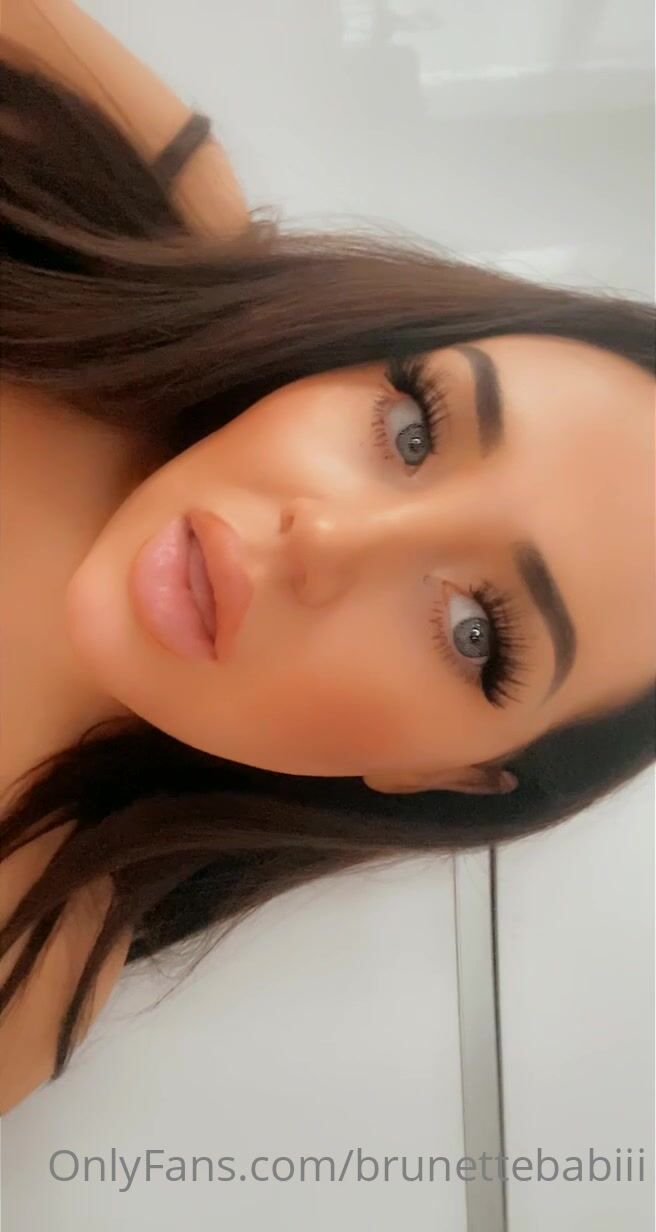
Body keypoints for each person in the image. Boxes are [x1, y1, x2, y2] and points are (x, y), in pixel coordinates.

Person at [0, 0, 654, 1116]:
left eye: (474, 633)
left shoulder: (21, 979)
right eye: (414, 428)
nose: (327, 539)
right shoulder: (120, 182)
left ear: (446, 777)